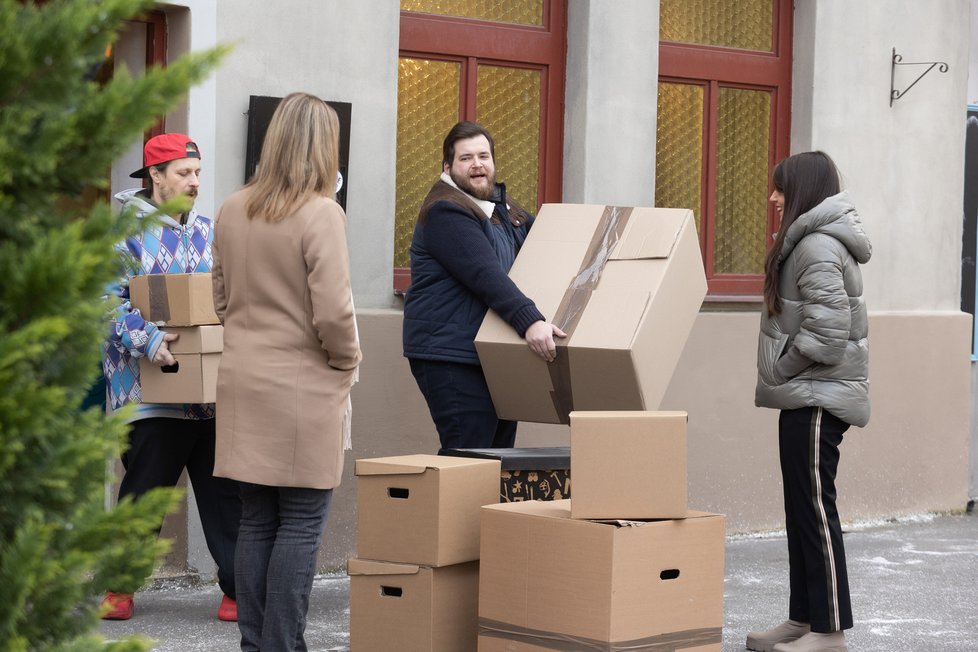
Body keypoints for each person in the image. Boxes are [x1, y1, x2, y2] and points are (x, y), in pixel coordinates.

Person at [211, 92, 361, 652]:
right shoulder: (322, 212)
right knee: (300, 523)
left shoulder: (232, 206)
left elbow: (220, 300)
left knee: (256, 521)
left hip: (244, 379)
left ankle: (257, 645)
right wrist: (347, 359)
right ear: (324, 147)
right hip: (306, 382)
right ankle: (282, 646)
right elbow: (335, 310)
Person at [101, 133, 241, 622]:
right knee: (144, 491)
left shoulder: (210, 231)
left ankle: (237, 592)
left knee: (226, 494)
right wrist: (148, 341)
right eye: (184, 173)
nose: (194, 182)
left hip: (208, 394)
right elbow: (101, 303)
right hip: (146, 393)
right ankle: (119, 589)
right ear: (154, 176)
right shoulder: (121, 236)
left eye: (198, 173)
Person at [747, 151, 871, 652]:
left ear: (800, 190)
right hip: (805, 396)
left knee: (817, 511)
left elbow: (827, 333)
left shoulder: (817, 246)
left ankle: (830, 632)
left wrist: (779, 368)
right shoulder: (807, 242)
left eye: (780, 188)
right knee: (801, 509)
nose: (773, 198)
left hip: (819, 397)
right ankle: (804, 618)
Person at [402, 121, 565, 453]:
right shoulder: (446, 210)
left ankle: (483, 509)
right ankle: (453, 509)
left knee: (497, 459)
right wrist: (530, 321)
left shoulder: (502, 210)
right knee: (469, 458)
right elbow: (485, 274)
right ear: (447, 167)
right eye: (466, 158)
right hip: (452, 355)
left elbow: (553, 242)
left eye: (483, 156)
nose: (477, 164)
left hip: (490, 352)